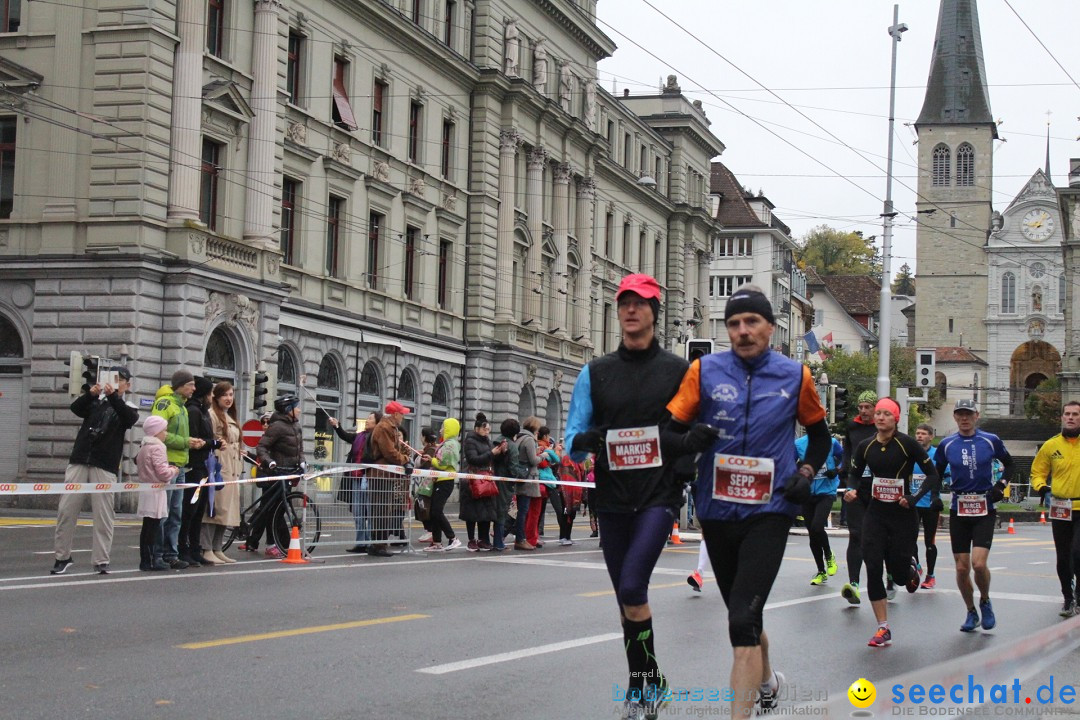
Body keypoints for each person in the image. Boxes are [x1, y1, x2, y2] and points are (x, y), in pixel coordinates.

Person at [666, 285, 830, 718]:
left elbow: (820, 437)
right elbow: (669, 430)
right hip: (716, 510)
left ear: (770, 329)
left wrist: (807, 473)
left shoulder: (797, 376)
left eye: (751, 322)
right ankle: (771, 682)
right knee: (744, 615)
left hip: (771, 510)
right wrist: (688, 440)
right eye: (734, 323)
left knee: (741, 621)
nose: (742, 330)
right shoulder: (704, 370)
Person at [565, 273, 698, 720]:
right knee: (628, 601)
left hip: (658, 498)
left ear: (655, 313)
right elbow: (572, 440)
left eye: (640, 303)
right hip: (613, 499)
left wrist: (683, 470)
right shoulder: (596, 372)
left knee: (632, 586)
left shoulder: (679, 371)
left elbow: (690, 432)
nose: (631, 310)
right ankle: (653, 679)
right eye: (624, 302)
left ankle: (640, 691)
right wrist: (594, 439)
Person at [848, 397, 940, 648]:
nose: (880, 417)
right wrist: (852, 490)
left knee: (899, 577)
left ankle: (908, 568)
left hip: (902, 516)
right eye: (878, 413)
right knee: (873, 565)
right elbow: (854, 474)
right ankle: (882, 628)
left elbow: (933, 475)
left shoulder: (908, 444)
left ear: (896, 418)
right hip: (876, 513)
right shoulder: (866, 446)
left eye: (886, 414)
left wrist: (913, 498)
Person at [933, 399, 1013, 632]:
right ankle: (970, 611)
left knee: (978, 564)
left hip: (984, 507)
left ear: (976, 416)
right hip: (959, 507)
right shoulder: (947, 444)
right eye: (960, 414)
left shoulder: (990, 440)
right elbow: (935, 473)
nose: (964, 418)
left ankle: (985, 601)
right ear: (955, 417)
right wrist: (936, 496)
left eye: (968, 414)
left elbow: (1009, 464)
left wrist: (1001, 486)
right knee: (961, 568)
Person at [51, 366, 139, 575]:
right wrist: (90, 394)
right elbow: (76, 409)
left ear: (127, 385)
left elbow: (128, 419)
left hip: (104, 464)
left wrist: (113, 397)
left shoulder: (128, 407)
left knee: (103, 514)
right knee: (66, 510)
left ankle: (101, 559)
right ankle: (62, 556)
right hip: (80, 460)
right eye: (112, 379)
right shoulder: (95, 404)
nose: (115, 383)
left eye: (121, 380)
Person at [1028, 401, 1080, 618]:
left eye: (1075, 414)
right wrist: (1042, 488)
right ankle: (1068, 598)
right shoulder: (1051, 445)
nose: (1070, 417)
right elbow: (1037, 472)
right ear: (1061, 417)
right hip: (1060, 507)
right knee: (1063, 557)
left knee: (1078, 553)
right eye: (1067, 414)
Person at [151, 370, 200, 569]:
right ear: (180, 385)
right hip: (167, 464)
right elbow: (157, 433)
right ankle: (158, 554)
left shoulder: (183, 408)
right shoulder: (165, 404)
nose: (194, 388)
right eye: (191, 384)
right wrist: (185, 442)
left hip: (180, 465)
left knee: (175, 512)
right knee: (163, 512)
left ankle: (172, 553)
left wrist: (189, 444)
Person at [839, 390, 879, 604]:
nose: (863, 411)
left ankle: (888, 577)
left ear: (875, 409)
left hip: (878, 488)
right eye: (860, 407)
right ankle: (853, 584)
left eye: (867, 407)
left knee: (878, 536)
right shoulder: (852, 427)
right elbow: (847, 451)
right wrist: (845, 475)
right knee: (856, 534)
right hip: (855, 486)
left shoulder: (880, 427)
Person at [252, 394, 305, 558]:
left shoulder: (296, 426)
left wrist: (302, 462)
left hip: (289, 474)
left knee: (276, 510)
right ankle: (274, 544)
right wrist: (270, 462)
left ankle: (254, 540)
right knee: (272, 510)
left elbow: (299, 449)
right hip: (276, 473)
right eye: (296, 406)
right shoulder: (277, 426)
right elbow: (261, 447)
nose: (299, 409)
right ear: (289, 410)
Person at [367, 400, 418, 557]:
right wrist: (405, 460)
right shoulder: (385, 428)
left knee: (382, 509)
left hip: (384, 474)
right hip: (381, 475)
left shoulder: (389, 427)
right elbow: (389, 452)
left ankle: (379, 543)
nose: (403, 417)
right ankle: (379, 545)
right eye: (402, 414)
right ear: (395, 414)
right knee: (381, 509)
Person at [329, 411, 382, 553]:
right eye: (368, 418)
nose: (367, 420)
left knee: (370, 512)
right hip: (356, 478)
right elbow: (346, 436)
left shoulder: (378, 437)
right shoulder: (359, 436)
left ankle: (371, 542)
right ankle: (361, 542)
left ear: (377, 423)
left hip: (369, 478)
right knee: (358, 512)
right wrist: (337, 426)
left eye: (370, 419)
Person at [796, 432, 843, 585]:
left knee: (817, 526)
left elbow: (845, 458)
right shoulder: (799, 444)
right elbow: (788, 463)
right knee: (812, 533)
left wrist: (836, 470)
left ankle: (829, 555)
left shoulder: (831, 441)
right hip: (807, 492)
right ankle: (821, 571)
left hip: (826, 491)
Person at [179, 376, 217, 567]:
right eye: (210, 393)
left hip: (204, 467)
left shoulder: (204, 412)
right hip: (194, 467)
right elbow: (196, 441)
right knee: (190, 510)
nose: (212, 397)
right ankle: (183, 548)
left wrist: (212, 443)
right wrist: (214, 443)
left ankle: (195, 549)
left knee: (199, 509)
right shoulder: (193, 411)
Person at [204, 381, 241, 564]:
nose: (229, 398)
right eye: (225, 395)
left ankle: (218, 548)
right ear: (216, 397)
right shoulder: (212, 415)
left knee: (226, 511)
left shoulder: (229, 416)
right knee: (214, 509)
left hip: (232, 468)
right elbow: (210, 440)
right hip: (219, 466)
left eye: (231, 395)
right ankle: (207, 548)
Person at [136, 415, 178, 572]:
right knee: (154, 526)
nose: (166, 433)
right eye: (164, 430)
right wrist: (174, 470)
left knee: (147, 527)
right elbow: (163, 473)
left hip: (146, 489)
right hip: (156, 491)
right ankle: (155, 560)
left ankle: (145, 560)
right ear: (156, 432)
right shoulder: (158, 447)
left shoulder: (144, 446)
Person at [460, 412, 504, 551]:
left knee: (486, 511)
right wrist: (492, 453)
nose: (486, 431)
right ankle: (471, 540)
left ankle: (483, 539)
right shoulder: (470, 440)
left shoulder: (487, 441)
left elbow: (490, 459)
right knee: (472, 512)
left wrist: (499, 452)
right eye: (484, 429)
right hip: (473, 479)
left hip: (486, 478)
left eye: (488, 429)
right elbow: (473, 459)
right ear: (477, 428)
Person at [911, 423, 944, 589]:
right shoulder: (911, 453)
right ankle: (916, 566)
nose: (919, 436)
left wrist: (936, 495)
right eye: (917, 433)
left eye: (923, 433)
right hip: (913, 503)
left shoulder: (937, 454)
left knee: (929, 542)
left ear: (931, 436)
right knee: (909, 539)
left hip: (930, 504)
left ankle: (931, 576)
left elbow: (944, 474)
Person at [428, 417, 463, 552]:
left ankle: (453, 537)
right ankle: (437, 542)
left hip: (444, 480)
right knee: (434, 511)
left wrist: (432, 461)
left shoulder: (450, 444)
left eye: (443, 427)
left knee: (436, 511)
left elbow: (443, 464)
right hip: (440, 480)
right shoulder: (448, 443)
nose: (441, 430)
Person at [514, 415, 543, 551]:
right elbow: (533, 460)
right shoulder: (530, 440)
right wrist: (543, 456)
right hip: (529, 478)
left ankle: (520, 537)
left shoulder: (519, 437)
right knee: (524, 511)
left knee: (521, 510)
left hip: (521, 476)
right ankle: (520, 539)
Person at [491, 418, 521, 551]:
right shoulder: (512, 446)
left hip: (492, 480)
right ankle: (498, 542)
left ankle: (493, 541)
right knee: (502, 512)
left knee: (494, 511)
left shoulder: (496, 441)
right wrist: (524, 472)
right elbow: (513, 469)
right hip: (505, 483)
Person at [558, 447, 586, 545]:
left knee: (572, 514)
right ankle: (563, 537)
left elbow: (581, 474)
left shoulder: (579, 461)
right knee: (566, 513)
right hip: (566, 492)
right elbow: (566, 476)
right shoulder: (567, 459)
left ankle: (568, 536)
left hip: (576, 492)